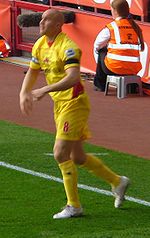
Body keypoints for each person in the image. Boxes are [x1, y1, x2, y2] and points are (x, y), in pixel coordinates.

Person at [19, 9, 130, 219]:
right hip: (59, 105)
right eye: (41, 19)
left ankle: (74, 206)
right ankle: (117, 181)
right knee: (77, 157)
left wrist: (43, 90)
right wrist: (23, 92)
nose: (41, 23)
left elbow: (72, 78)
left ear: (59, 24)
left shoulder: (68, 47)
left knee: (60, 153)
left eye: (46, 19)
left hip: (74, 104)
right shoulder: (40, 44)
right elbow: (33, 71)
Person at [93, 0, 144, 92]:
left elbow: (97, 45)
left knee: (101, 51)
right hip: (134, 69)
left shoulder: (112, 27)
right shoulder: (136, 27)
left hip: (114, 68)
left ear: (115, 11)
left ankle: (100, 84)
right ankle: (131, 86)